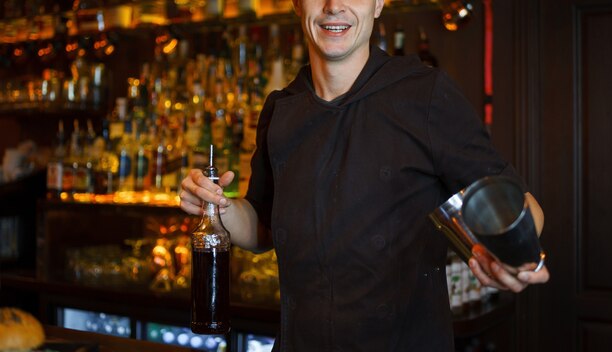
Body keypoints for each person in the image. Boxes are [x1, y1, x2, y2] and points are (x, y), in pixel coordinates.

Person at [180, 0, 550, 349]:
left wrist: (514, 252)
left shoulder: (424, 94)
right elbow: (262, 228)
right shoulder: (282, 108)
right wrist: (219, 208)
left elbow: (521, 203)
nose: (333, 6)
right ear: (296, 4)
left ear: (378, 3)